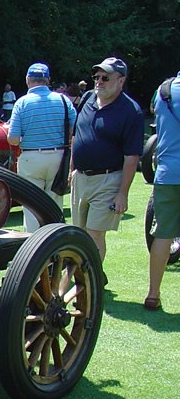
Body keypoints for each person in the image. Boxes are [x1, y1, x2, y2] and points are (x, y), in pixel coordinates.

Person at [70, 57, 143, 263]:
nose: (99, 81)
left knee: (94, 234)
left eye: (105, 78)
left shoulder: (131, 111)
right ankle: (84, 279)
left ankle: (91, 282)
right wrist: (72, 169)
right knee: (77, 234)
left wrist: (122, 193)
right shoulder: (87, 98)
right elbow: (77, 135)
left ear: (121, 81)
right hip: (81, 178)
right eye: (97, 77)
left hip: (108, 180)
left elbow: (132, 156)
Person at [6, 63, 76, 232]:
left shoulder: (22, 103)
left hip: (31, 158)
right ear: (48, 80)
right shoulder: (63, 100)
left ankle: (33, 246)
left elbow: (13, 139)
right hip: (59, 156)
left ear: (28, 80)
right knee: (55, 202)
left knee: (31, 205)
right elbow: (74, 131)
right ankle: (54, 241)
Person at [146, 70, 180, 311]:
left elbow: (154, 114)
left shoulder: (164, 90)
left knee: (162, 234)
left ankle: (153, 294)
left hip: (167, 171)